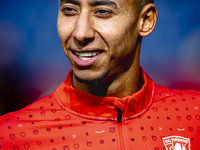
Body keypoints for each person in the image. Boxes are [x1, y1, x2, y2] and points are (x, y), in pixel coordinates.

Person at [0, 0, 199, 149]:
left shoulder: (194, 116)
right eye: (69, 10)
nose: (80, 33)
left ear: (145, 20)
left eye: (102, 12)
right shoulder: (10, 136)